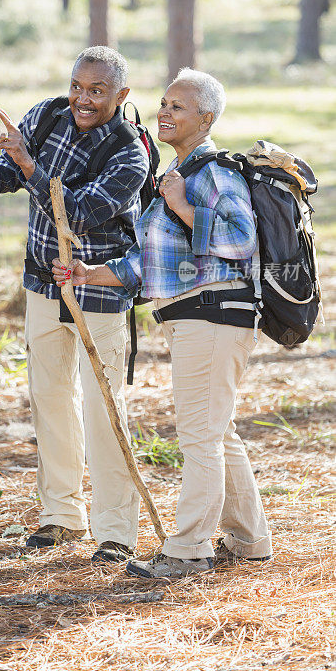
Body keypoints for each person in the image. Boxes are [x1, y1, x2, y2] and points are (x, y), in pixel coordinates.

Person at [52, 68, 272, 580]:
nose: (166, 112)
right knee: (218, 432)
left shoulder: (213, 174)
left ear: (206, 118)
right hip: (196, 318)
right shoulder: (175, 175)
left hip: (214, 315)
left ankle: (189, 549)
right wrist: (90, 274)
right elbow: (145, 262)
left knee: (199, 436)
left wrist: (181, 205)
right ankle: (251, 539)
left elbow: (241, 240)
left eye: (180, 106)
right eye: (165, 103)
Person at [0, 46, 150, 563]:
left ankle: (115, 531)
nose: (83, 99)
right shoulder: (47, 115)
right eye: (78, 86)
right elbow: (11, 172)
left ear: (121, 96)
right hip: (43, 288)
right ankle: (62, 516)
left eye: (98, 91)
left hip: (99, 293)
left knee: (105, 409)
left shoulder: (131, 152)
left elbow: (80, 213)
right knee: (50, 401)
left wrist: (26, 163)